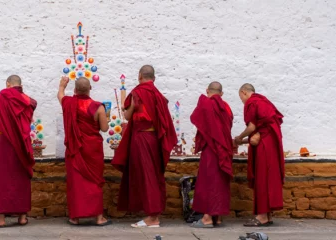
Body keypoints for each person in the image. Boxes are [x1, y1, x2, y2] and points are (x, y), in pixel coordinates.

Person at [111, 65, 178, 228]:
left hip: (142, 138)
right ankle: (154, 213)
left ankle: (153, 218)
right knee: (154, 175)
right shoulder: (158, 95)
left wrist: (124, 108)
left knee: (147, 176)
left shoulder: (138, 92)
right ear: (153, 78)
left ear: (140, 76)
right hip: (155, 139)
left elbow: (127, 116)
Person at [58, 76, 112, 226]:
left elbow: (60, 95)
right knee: (95, 182)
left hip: (76, 150)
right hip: (92, 149)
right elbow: (104, 128)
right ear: (90, 89)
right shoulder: (98, 107)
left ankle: (75, 217)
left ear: (75, 90)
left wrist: (62, 85)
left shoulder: (69, 103)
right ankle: (99, 218)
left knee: (76, 183)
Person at [0, 75, 37, 228]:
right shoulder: (27, 100)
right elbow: (31, 111)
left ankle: (0, 219)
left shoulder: (2, 97)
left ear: (8, 84)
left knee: (2, 179)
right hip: (22, 143)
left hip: (6, 142)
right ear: (20, 85)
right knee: (21, 177)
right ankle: (22, 217)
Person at [234, 83, 285, 227]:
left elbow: (252, 127)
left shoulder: (252, 102)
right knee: (268, 177)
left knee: (262, 178)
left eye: (241, 98)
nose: (242, 101)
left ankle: (262, 216)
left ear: (244, 92)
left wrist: (239, 138)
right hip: (270, 143)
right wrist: (243, 141)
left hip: (264, 146)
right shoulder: (264, 101)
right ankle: (267, 216)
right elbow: (261, 130)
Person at [189, 82, 234, 228]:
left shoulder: (206, 104)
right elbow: (228, 125)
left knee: (208, 182)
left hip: (211, 149)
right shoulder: (226, 107)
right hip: (225, 149)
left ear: (207, 90)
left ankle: (207, 218)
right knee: (219, 182)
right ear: (221, 94)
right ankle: (218, 217)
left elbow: (197, 119)